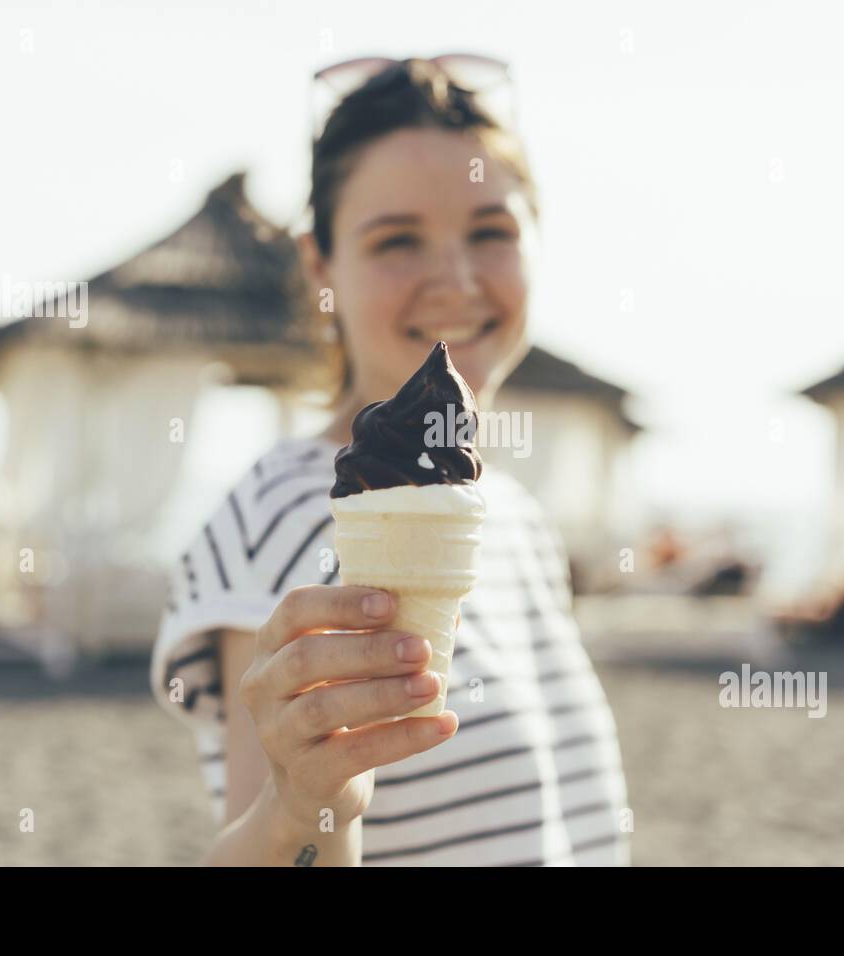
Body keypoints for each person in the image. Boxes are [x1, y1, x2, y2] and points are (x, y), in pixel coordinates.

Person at [149, 55, 630, 866]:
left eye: (491, 231)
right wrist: (301, 807)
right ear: (320, 265)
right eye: (397, 240)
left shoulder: (513, 512)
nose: (455, 280)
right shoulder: (283, 512)